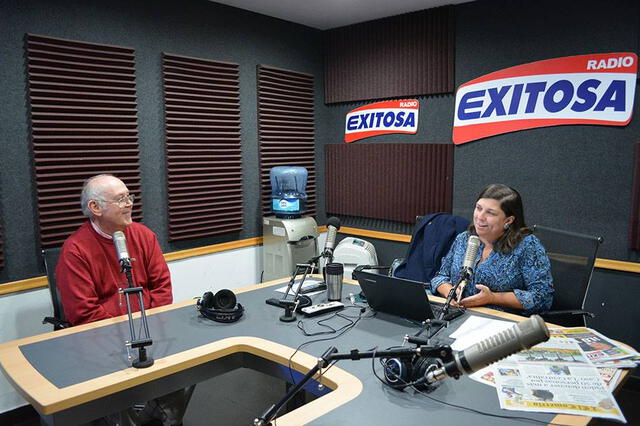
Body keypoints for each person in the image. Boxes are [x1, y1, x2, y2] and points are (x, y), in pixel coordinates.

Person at [56, 174, 190, 426]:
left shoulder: (144, 236)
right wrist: (126, 336)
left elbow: (162, 287)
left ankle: (165, 416)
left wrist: (150, 326)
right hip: (104, 342)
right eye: (121, 199)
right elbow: (83, 312)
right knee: (121, 400)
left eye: (129, 197)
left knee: (182, 372)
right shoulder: (75, 251)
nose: (130, 204)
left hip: (151, 332)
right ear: (95, 208)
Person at [430, 184, 553, 315]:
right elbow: (440, 277)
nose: (480, 217)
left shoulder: (527, 246)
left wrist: (493, 298)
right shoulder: (464, 239)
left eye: (490, 212)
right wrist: (450, 291)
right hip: (457, 315)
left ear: (509, 220)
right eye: (478, 208)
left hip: (500, 321)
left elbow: (542, 297)